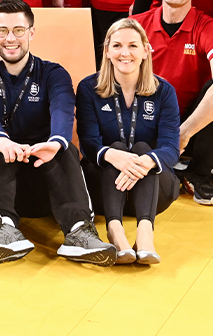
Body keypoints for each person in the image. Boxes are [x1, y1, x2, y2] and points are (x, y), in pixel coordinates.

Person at [0, 0, 116, 266]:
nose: (11, 38)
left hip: (46, 182)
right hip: (2, 182)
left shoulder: (53, 73)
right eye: (3, 31)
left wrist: (55, 142)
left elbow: (63, 110)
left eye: (19, 30)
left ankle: (79, 231)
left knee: (65, 149)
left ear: (31, 32)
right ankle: (4, 228)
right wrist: (1, 140)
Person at [131, 0, 213, 205]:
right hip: (146, 119)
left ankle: (199, 173)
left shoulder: (208, 27)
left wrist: (183, 133)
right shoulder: (135, 25)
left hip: (190, 127)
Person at [76, 19, 181, 265]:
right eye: (118, 46)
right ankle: (116, 230)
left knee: (145, 150)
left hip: (153, 191)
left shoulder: (164, 91)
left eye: (133, 46)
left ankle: (145, 232)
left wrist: (143, 161)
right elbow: (89, 143)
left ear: (146, 50)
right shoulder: (88, 88)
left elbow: (170, 147)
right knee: (117, 149)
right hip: (103, 187)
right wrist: (114, 156)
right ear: (108, 51)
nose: (125, 53)